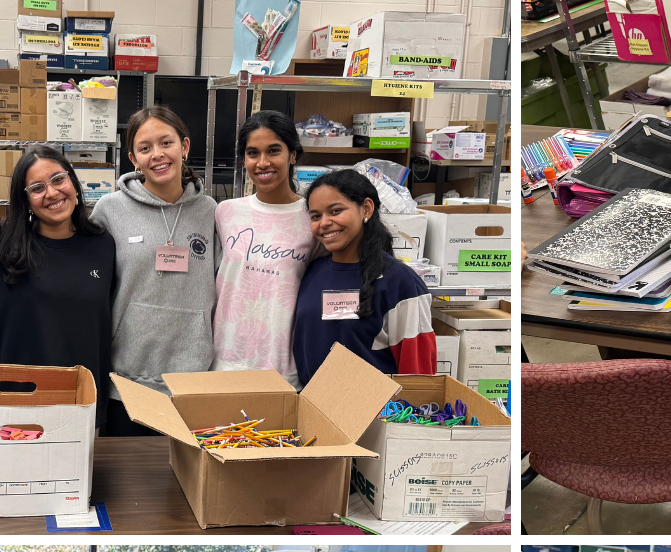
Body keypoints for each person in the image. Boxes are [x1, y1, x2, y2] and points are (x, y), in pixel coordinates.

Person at [92, 105, 218, 434]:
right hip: (127, 381)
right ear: (133, 158)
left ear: (185, 147)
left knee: (186, 482)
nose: (157, 155)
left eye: (166, 143)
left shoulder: (211, 212)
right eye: (145, 148)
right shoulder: (110, 210)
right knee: (129, 482)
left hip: (192, 380)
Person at [0, 144, 117, 416]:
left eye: (58, 179)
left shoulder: (102, 245)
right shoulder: (3, 250)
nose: (52, 193)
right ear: (26, 200)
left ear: (73, 183)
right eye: (37, 188)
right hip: (20, 402)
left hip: (82, 399)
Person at [291, 170, 435, 384]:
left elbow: (418, 377)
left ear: (366, 208)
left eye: (336, 211)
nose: (324, 223)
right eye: (315, 216)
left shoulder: (400, 282)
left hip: (376, 415)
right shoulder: (312, 272)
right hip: (313, 409)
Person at [214, 112, 314, 386]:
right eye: (252, 153)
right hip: (223, 365)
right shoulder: (226, 212)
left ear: (293, 155)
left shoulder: (312, 218)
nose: (262, 163)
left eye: (273, 151)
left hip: (282, 372)